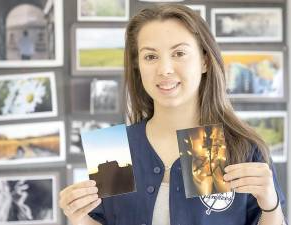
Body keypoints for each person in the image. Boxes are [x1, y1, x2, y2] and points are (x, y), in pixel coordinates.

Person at [59, 4, 287, 225]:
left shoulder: (240, 148)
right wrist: (79, 218)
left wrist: (271, 205)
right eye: (150, 56)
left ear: (205, 61)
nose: (165, 69)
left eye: (179, 53)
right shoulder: (112, 148)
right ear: (138, 65)